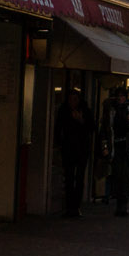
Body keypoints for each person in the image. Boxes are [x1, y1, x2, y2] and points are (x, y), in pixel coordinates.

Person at [99, 86, 129, 217]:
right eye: (119, 96)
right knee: (117, 175)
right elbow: (105, 129)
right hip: (115, 146)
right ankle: (119, 203)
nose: (121, 98)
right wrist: (104, 147)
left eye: (123, 96)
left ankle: (124, 204)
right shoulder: (111, 110)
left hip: (128, 146)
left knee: (126, 175)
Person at [54, 87, 95, 219]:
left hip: (81, 148)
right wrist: (58, 143)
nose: (73, 102)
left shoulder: (85, 111)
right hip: (69, 148)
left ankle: (75, 206)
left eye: (75, 99)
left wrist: (81, 120)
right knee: (70, 177)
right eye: (71, 99)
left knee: (78, 178)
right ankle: (70, 206)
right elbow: (58, 127)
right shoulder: (63, 111)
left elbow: (91, 127)